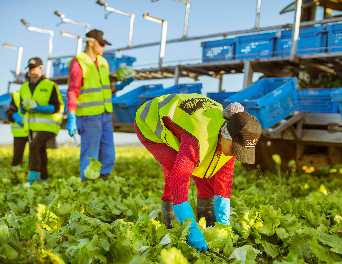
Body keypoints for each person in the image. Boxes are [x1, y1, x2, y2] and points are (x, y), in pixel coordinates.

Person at [134, 93, 262, 252]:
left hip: (189, 124)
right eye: (235, 149)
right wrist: (191, 229)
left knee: (208, 166)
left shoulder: (232, 134)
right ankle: (171, 221)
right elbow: (179, 181)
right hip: (151, 120)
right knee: (175, 168)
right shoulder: (199, 139)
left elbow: (224, 177)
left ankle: (207, 216)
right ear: (225, 134)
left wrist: (223, 222)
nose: (236, 154)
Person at [65, 29, 134, 181]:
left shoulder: (103, 63)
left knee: (108, 154)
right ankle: (88, 183)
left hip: (106, 115)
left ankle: (102, 182)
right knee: (91, 153)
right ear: (90, 42)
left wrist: (121, 86)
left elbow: (105, 89)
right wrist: (71, 116)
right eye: (101, 44)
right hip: (89, 117)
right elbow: (72, 91)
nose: (104, 48)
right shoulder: (78, 62)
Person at [17, 57, 64, 184]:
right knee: (41, 151)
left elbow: (57, 106)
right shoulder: (24, 87)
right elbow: (21, 105)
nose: (31, 71)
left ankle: (32, 178)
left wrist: (40, 108)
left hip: (48, 126)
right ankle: (44, 178)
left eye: (34, 68)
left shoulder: (50, 85)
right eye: (29, 69)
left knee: (34, 146)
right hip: (33, 126)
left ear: (41, 68)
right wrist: (22, 109)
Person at [6, 89, 29, 166]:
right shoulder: (17, 95)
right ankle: (16, 172)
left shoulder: (38, 93)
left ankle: (34, 172)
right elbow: (10, 111)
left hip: (33, 129)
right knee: (17, 156)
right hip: (20, 131)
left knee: (36, 155)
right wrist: (14, 116)